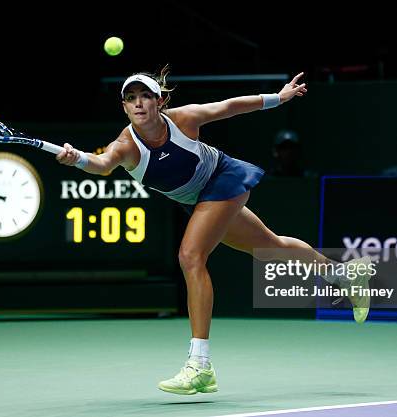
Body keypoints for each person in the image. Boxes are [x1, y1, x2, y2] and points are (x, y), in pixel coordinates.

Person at [56, 67, 372, 395]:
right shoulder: (125, 145)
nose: (138, 104)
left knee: (191, 256)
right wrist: (77, 158)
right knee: (270, 246)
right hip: (199, 200)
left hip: (223, 179)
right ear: (124, 107)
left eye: (145, 96)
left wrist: (279, 97)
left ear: (159, 101)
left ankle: (200, 365)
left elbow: (230, 105)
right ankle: (343, 275)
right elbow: (102, 165)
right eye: (130, 98)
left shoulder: (184, 119)